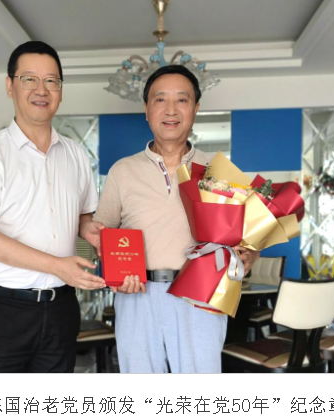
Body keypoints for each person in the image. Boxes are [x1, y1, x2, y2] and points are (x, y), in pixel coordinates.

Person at [93, 65, 260, 373]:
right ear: (146, 109)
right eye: (160, 100)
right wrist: (115, 274)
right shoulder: (122, 171)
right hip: (137, 297)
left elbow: (252, 231)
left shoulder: (218, 169)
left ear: (195, 108)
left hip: (201, 294)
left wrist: (249, 254)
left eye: (182, 100)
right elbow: (101, 234)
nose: (171, 110)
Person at [0, 41, 105, 373]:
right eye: (29, 79)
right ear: (10, 86)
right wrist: (58, 266)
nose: (41, 89)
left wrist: (96, 234)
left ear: (61, 90)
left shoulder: (77, 155)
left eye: (51, 81)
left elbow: (83, 219)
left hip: (61, 309)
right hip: (3, 311)